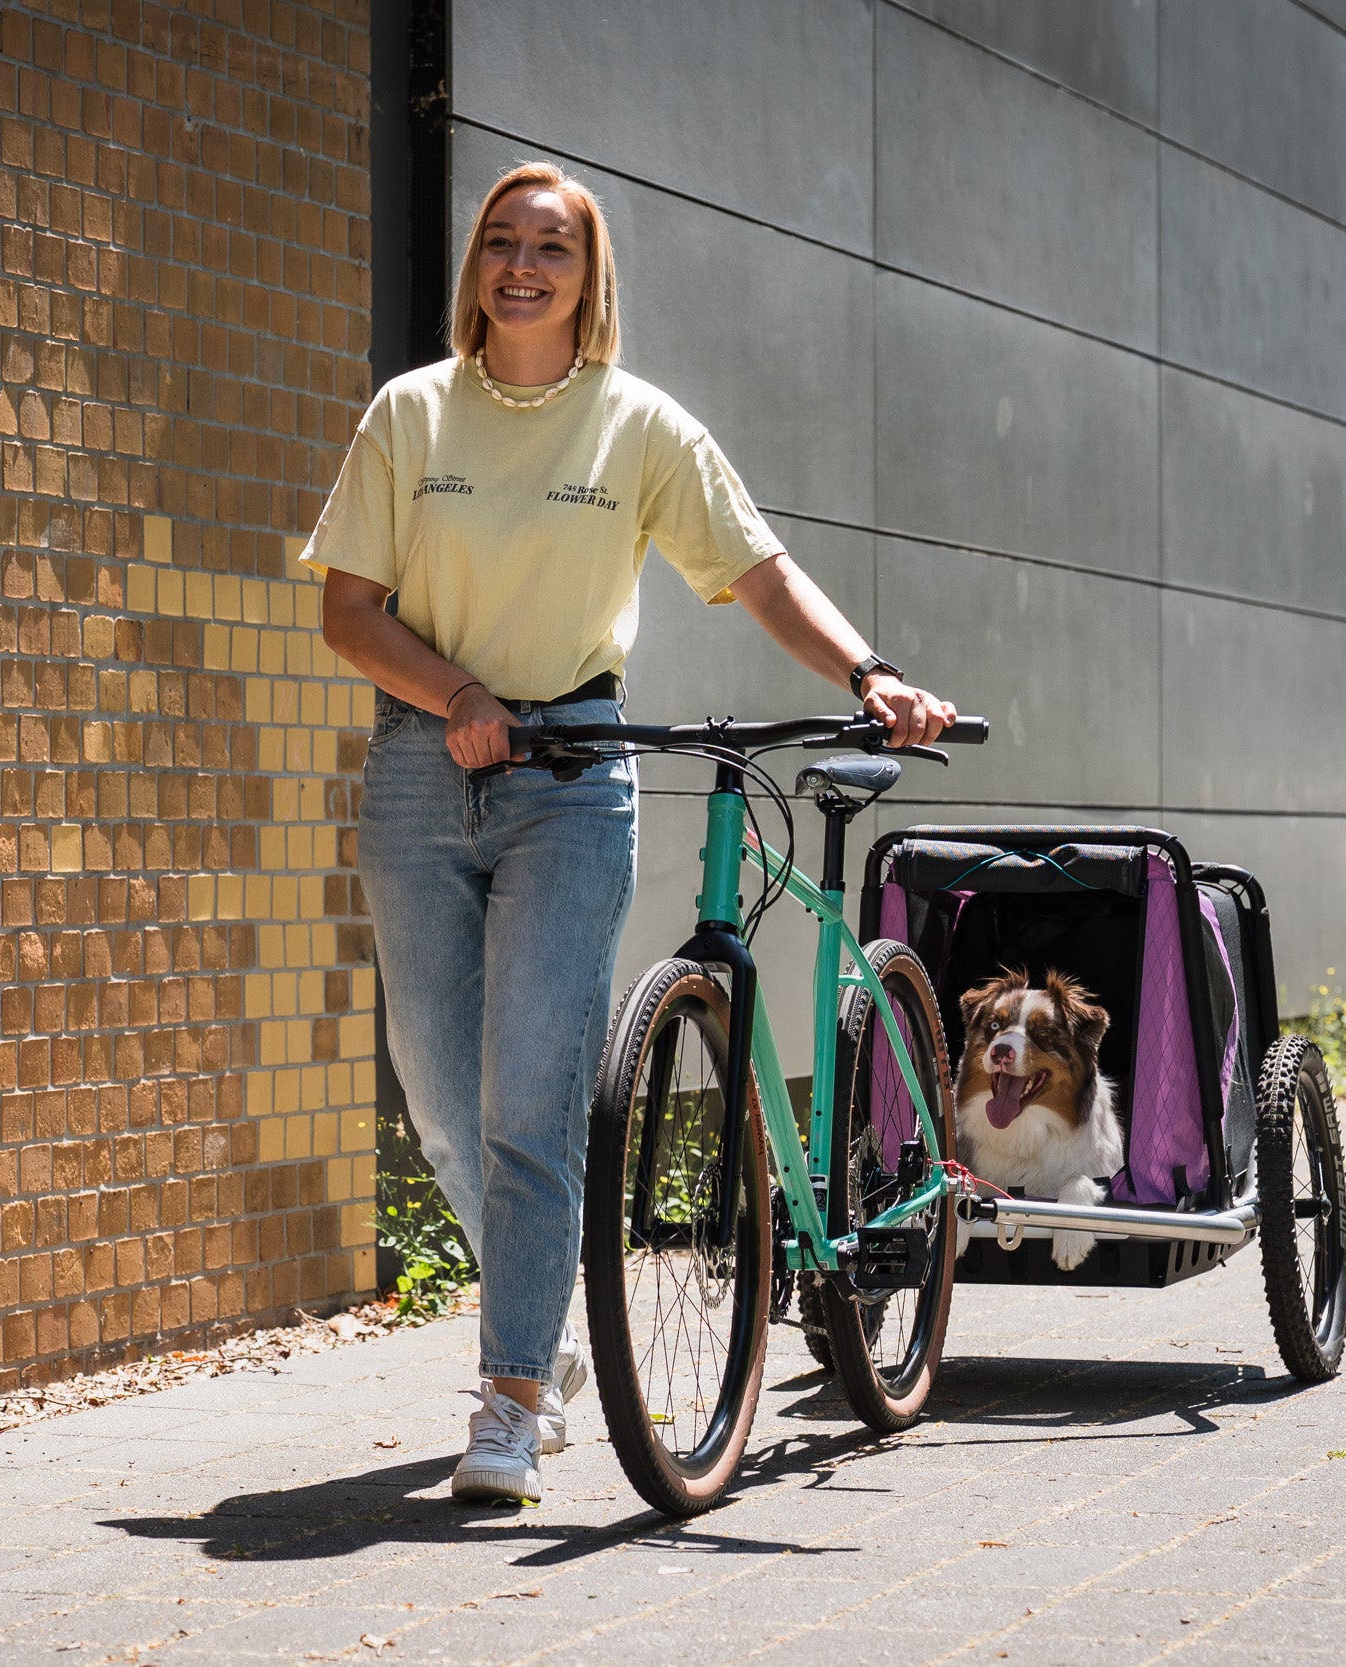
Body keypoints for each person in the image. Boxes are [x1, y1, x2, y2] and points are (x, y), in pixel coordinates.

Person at [302, 161, 956, 1505]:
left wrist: (868, 672)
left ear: (590, 277)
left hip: (572, 777)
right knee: (441, 1107)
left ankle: (511, 1400)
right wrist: (458, 697)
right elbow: (348, 610)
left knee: (532, 1104)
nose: (523, 266)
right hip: (424, 771)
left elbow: (758, 571)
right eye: (502, 242)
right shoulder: (411, 413)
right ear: (476, 266)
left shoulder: (639, 426)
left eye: (552, 247)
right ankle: (540, 1315)